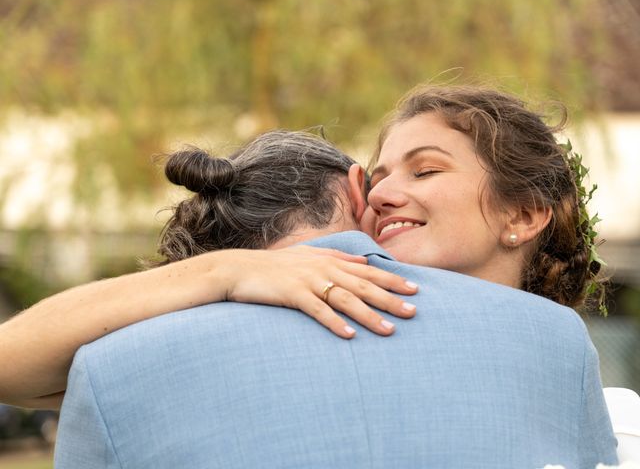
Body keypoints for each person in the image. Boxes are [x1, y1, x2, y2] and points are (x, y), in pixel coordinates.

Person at [50, 119, 618, 467]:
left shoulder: (110, 363)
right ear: (356, 190)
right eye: (380, 176)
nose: (390, 193)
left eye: (424, 172)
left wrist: (215, 276)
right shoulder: (556, 340)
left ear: (525, 215)